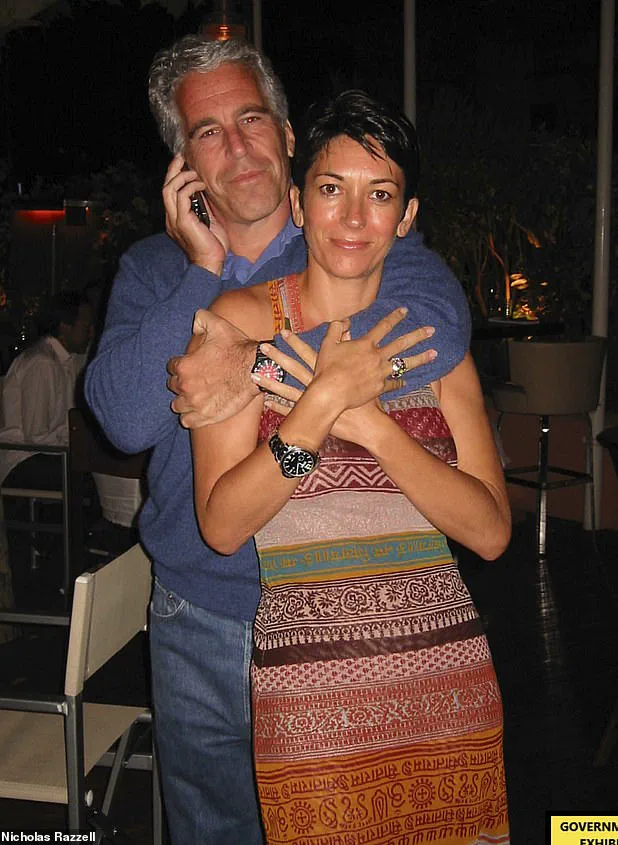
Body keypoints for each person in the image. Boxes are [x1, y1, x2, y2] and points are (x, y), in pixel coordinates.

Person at [84, 36, 472, 845]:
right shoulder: (156, 271)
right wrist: (203, 273)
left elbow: (437, 327)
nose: (237, 146)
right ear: (183, 162)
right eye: (208, 131)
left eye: (252, 118)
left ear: (289, 133)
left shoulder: (346, 234)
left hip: (337, 609)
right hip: (197, 610)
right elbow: (122, 419)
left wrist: (248, 357)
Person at [188, 90, 511, 844]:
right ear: (300, 205)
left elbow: (492, 532)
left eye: (381, 195)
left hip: (446, 684)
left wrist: (371, 426)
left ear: (407, 216)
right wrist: (323, 400)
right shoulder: (241, 325)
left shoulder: (429, 336)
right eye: (332, 189)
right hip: (311, 700)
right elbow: (223, 524)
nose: (356, 217)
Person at [0, 290, 94, 490]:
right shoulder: (43, 363)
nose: (91, 333)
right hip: (21, 458)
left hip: (46, 454)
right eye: (86, 327)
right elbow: (36, 437)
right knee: (92, 474)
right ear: (65, 327)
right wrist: (78, 439)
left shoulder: (69, 361)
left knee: (94, 468)